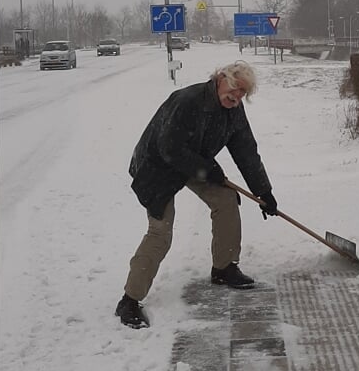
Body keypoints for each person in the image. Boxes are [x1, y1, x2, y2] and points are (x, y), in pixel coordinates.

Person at [116, 61, 278, 329]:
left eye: (241, 95)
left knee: (226, 200)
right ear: (219, 80)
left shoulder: (233, 111)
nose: (235, 97)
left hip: (194, 162)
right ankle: (129, 300)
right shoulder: (188, 101)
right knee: (160, 232)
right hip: (157, 167)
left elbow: (246, 152)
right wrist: (206, 168)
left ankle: (224, 268)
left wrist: (264, 191)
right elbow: (169, 147)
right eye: (233, 90)